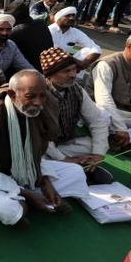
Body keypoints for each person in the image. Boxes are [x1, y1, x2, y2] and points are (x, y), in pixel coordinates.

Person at [0, 70, 89, 226]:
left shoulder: (36, 111)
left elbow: (36, 154)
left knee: (76, 172)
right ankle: (27, 203)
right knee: (6, 209)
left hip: (25, 172)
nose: (38, 102)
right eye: (30, 96)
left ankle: (30, 201)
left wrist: (45, 182)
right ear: (12, 94)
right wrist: (26, 193)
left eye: (42, 96)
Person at [38, 47, 112, 184]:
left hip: (65, 144)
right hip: (43, 146)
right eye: (66, 71)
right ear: (50, 74)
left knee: (95, 145)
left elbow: (97, 122)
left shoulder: (77, 90)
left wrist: (98, 154)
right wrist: (63, 159)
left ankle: (68, 167)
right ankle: (67, 167)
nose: (73, 75)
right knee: (37, 158)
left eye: (74, 69)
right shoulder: (38, 92)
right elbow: (38, 134)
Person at [85, 32, 131, 151]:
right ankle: (123, 137)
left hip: (129, 114)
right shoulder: (107, 64)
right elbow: (104, 100)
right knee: (103, 117)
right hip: (104, 111)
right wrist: (120, 127)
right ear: (129, 47)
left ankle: (127, 139)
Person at [48, 4, 101, 74]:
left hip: (67, 62)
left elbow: (96, 48)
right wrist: (74, 60)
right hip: (49, 62)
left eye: (73, 16)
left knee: (86, 50)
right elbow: (53, 53)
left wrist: (85, 63)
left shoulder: (75, 32)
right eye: (68, 16)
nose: (71, 18)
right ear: (59, 17)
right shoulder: (49, 30)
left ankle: (72, 77)